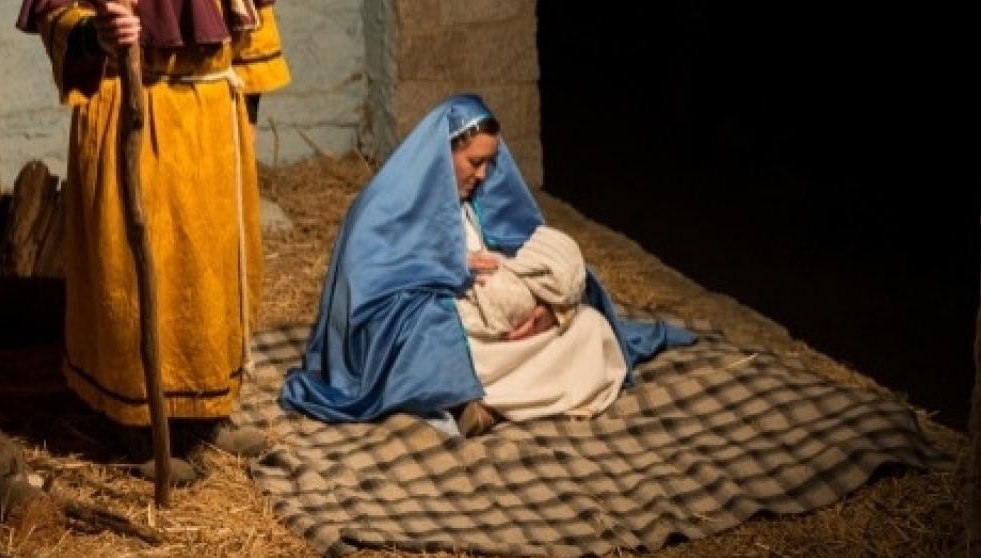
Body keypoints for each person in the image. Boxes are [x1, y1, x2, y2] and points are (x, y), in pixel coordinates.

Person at [16, 0, 290, 479]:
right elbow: (54, 10)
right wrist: (99, 31)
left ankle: (205, 415)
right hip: (133, 104)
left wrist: (250, 100)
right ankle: (140, 430)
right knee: (143, 277)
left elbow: (253, 2)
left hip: (211, 111)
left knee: (214, 274)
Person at [280, 95, 693, 436]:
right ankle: (474, 396)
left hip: (507, 339)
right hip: (443, 335)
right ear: (444, 155)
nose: (481, 175)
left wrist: (549, 313)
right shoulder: (385, 205)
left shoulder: (479, 205)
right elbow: (368, 296)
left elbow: (527, 254)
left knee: (592, 330)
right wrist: (449, 271)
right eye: (473, 162)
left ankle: (484, 407)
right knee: (430, 342)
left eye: (488, 164)